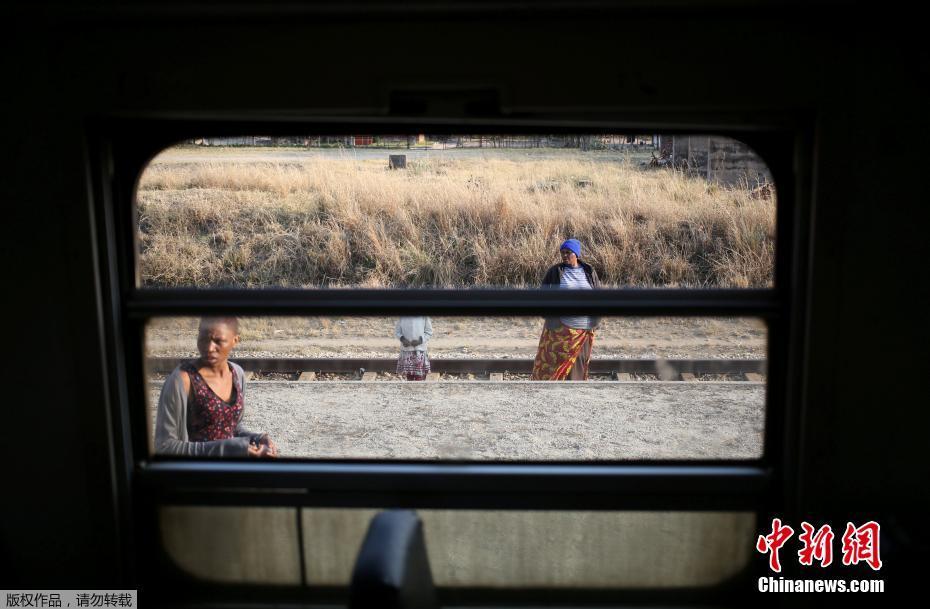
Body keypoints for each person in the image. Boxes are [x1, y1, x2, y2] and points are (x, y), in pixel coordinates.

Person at [154, 317, 278, 457]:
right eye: (203, 339)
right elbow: (165, 446)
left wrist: (257, 438)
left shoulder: (237, 374)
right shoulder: (182, 380)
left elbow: (231, 427)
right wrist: (232, 449)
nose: (209, 348)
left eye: (218, 341)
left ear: (235, 340)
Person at [531, 238, 600, 380]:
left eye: (568, 252)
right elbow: (542, 295)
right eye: (562, 252)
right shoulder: (555, 271)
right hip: (560, 330)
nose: (564, 255)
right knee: (551, 365)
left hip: (583, 331)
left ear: (576, 254)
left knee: (577, 369)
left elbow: (598, 296)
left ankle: (574, 393)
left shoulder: (589, 271)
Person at [395, 316, 433, 381]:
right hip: (407, 351)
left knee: (420, 376)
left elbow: (429, 332)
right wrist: (402, 339)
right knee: (409, 376)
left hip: (420, 350)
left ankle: (419, 386)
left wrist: (420, 341)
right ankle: (411, 386)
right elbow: (397, 332)